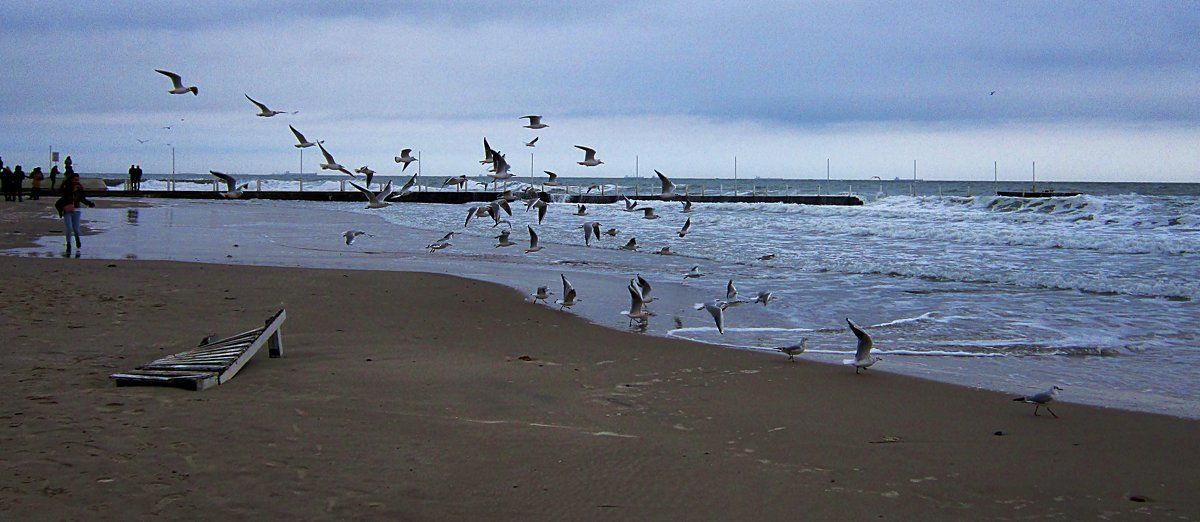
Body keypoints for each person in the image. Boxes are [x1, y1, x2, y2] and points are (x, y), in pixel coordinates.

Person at [55, 168, 94, 252]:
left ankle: (77, 239)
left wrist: (89, 203)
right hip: (67, 209)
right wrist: (72, 191)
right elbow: (64, 196)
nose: (76, 181)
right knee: (68, 228)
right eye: (75, 180)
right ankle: (68, 244)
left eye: (78, 180)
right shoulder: (66, 187)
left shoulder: (80, 188)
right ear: (71, 179)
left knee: (76, 229)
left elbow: (82, 199)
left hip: (76, 210)